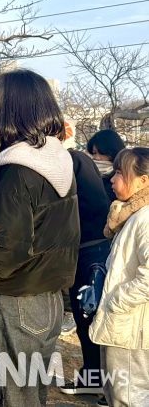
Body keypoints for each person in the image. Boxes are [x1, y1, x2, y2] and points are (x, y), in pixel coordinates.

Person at [0, 69, 80, 406]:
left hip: (17, 302)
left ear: (11, 112)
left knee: (9, 398)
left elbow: (3, 252)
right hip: (47, 299)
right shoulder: (56, 160)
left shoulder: (19, 171)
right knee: (28, 396)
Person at [89, 147, 149, 407]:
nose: (112, 180)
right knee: (119, 395)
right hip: (125, 326)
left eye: (120, 173)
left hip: (131, 329)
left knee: (128, 398)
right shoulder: (131, 215)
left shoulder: (145, 219)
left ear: (143, 181)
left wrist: (116, 300)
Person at [57, 138, 111, 399]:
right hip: (87, 249)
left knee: (89, 319)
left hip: (90, 250)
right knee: (85, 321)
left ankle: (98, 381)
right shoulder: (78, 162)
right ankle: (93, 379)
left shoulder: (72, 162)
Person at [87, 129, 126, 202]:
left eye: (101, 153)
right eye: (94, 153)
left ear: (112, 152)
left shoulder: (126, 175)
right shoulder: (88, 174)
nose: (96, 158)